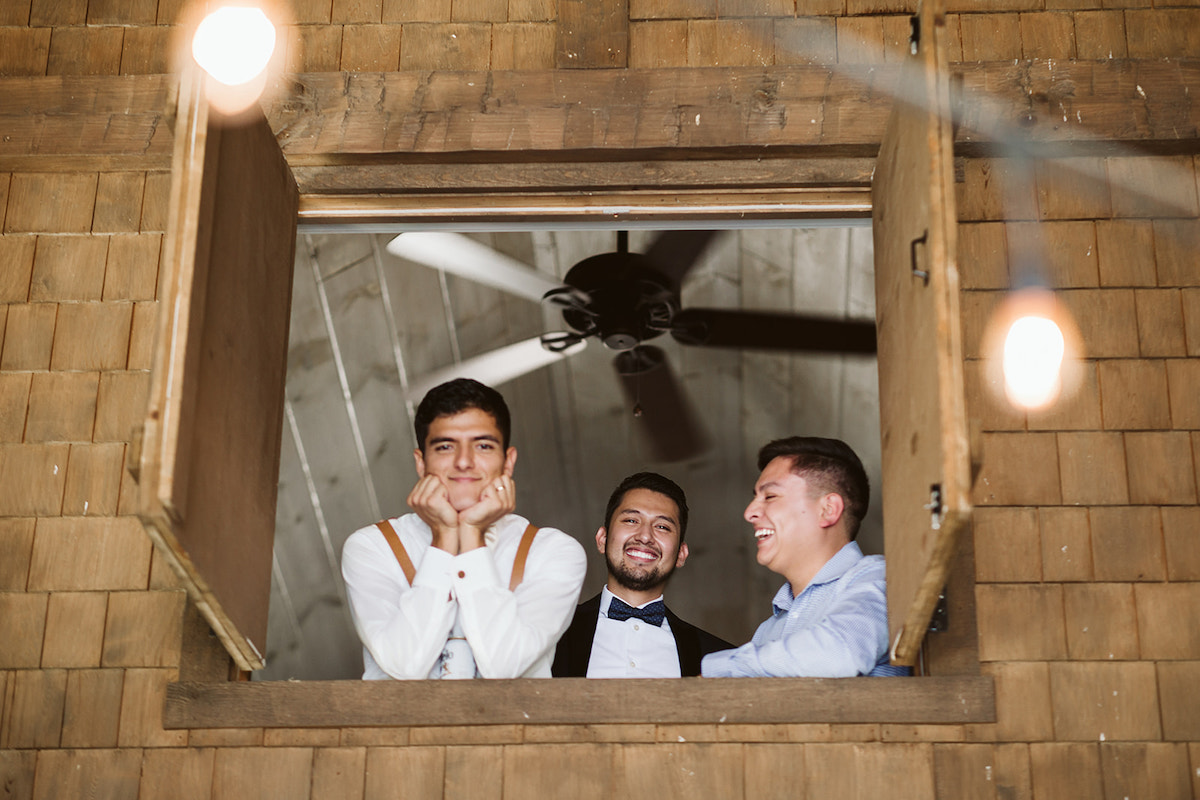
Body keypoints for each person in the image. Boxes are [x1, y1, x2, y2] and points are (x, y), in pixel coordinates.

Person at [342, 378, 586, 679]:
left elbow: (505, 665)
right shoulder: (372, 546)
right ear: (421, 463)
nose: (464, 462)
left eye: (483, 446)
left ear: (508, 462)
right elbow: (404, 664)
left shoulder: (552, 551)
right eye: (445, 447)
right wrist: (444, 537)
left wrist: (470, 532)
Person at [701, 436, 908, 678]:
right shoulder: (768, 631)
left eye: (770, 497)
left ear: (827, 510)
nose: (749, 512)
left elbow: (839, 653)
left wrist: (719, 667)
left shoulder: (880, 580)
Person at [552, 472, 731, 678]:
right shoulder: (550, 633)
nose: (645, 536)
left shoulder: (717, 658)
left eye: (662, 526)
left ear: (681, 554)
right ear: (602, 538)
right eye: (631, 520)